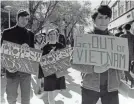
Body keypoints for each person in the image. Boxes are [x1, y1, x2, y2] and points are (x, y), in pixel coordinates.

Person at [71, 5, 124, 104]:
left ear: (109, 19)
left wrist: (121, 76)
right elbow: (73, 62)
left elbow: (119, 64)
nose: (103, 21)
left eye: (106, 17)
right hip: (90, 87)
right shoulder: (85, 38)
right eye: (100, 17)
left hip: (111, 89)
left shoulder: (116, 40)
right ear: (94, 20)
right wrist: (93, 68)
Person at [1, 10, 34, 104]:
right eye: (22, 18)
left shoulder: (31, 34)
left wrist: (29, 49)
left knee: (26, 98)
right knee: (11, 97)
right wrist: (6, 66)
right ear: (17, 18)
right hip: (11, 70)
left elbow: (33, 54)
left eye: (27, 19)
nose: (24, 21)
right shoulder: (7, 32)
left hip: (26, 71)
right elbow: (3, 51)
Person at [38, 29, 66, 104]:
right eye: (50, 34)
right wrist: (49, 55)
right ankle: (50, 101)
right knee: (50, 91)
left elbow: (65, 59)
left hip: (59, 72)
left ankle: (48, 98)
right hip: (49, 73)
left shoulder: (61, 46)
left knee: (58, 89)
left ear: (57, 36)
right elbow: (41, 60)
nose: (52, 36)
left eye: (54, 34)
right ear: (48, 36)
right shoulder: (45, 47)